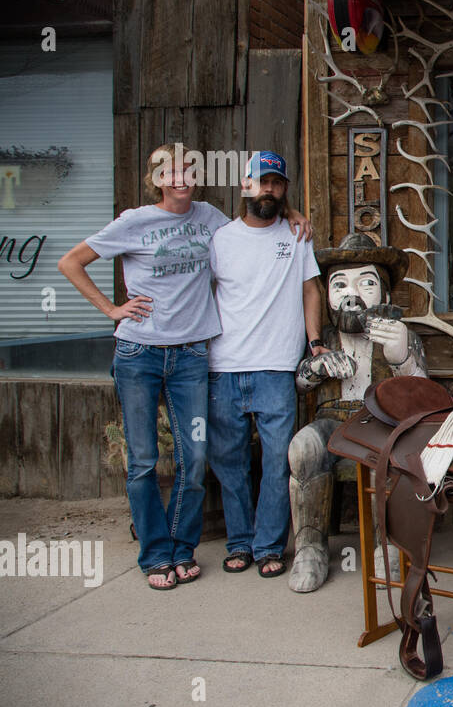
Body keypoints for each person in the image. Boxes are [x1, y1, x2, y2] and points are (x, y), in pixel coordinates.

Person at [56, 143, 309, 590]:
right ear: (155, 179)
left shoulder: (210, 219)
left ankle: (186, 550)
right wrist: (111, 309)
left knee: (195, 460)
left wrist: (294, 215)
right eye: (169, 172)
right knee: (143, 462)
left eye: (187, 171)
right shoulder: (136, 221)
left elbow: (265, 219)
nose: (179, 179)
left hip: (193, 356)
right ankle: (158, 555)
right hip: (141, 353)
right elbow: (70, 262)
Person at [289, 232, 428, 593]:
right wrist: (315, 368)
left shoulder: (400, 334)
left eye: (365, 283)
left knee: (387, 455)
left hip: (381, 421)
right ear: (328, 295)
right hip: (332, 421)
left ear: (383, 293)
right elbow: (301, 383)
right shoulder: (324, 339)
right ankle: (309, 549)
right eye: (340, 284)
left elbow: (422, 393)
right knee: (304, 447)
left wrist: (402, 356)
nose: (352, 294)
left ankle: (389, 547)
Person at [207, 152, 321, 579]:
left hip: (276, 365)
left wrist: (314, 341)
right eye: (261, 182)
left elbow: (311, 290)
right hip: (224, 365)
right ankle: (239, 543)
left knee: (277, 461)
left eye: (276, 183)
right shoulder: (220, 239)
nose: (268, 189)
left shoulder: (296, 235)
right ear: (245, 187)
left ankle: (269, 546)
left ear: (284, 189)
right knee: (230, 461)